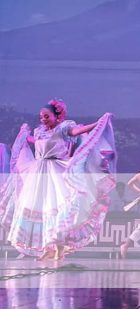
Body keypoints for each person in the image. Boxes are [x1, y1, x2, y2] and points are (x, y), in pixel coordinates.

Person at [0, 99, 116, 260]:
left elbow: (79, 131)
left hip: (57, 172)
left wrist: (98, 123)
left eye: (46, 116)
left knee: (57, 210)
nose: (43, 119)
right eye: (41, 116)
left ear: (57, 116)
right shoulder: (39, 131)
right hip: (38, 174)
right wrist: (23, 134)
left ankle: (59, 248)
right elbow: (33, 142)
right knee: (42, 210)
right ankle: (48, 247)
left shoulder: (64, 128)